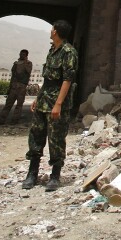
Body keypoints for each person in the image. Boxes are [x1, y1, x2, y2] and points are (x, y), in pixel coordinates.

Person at [21, 20, 78, 192]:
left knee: (56, 139)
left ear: (56, 31)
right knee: (36, 135)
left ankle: (55, 175)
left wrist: (58, 104)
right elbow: (47, 79)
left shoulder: (69, 52)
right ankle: (32, 173)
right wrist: (38, 98)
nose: (50, 30)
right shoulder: (52, 51)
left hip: (57, 103)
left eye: (52, 28)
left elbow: (67, 80)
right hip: (44, 100)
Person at [0, 49, 33, 125]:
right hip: (14, 85)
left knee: (19, 105)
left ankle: (14, 120)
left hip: (22, 86)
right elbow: (13, 76)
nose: (21, 55)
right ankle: (1, 120)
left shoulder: (29, 63)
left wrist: (25, 62)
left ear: (26, 55)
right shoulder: (16, 64)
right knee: (8, 104)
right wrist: (9, 88)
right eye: (21, 54)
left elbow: (28, 71)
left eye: (23, 54)